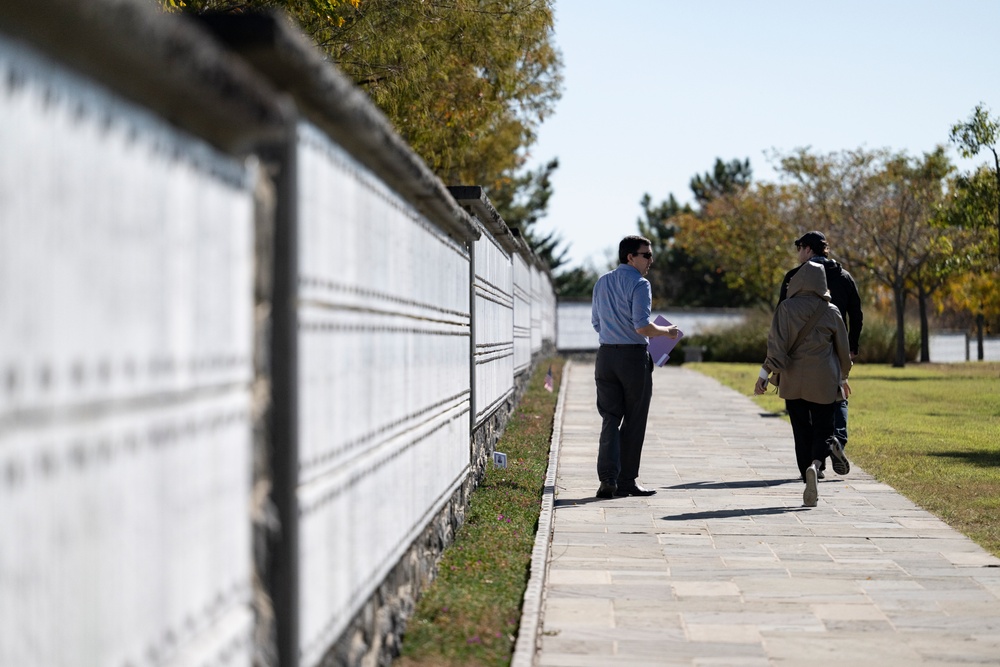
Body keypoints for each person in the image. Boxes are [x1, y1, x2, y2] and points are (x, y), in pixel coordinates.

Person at [755, 261, 853, 507]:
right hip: (823, 379)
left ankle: (805, 471)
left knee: (801, 430)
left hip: (792, 379)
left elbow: (776, 346)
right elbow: (843, 349)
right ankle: (816, 466)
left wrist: (764, 374)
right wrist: (844, 377)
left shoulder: (786, 309)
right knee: (823, 428)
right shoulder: (831, 311)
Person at [591, 235, 680, 499]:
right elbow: (641, 326)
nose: (651, 260)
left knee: (609, 418)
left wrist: (612, 332)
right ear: (630, 257)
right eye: (647, 255)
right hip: (632, 358)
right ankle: (627, 480)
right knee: (634, 420)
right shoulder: (640, 284)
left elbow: (596, 322)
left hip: (605, 356)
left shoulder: (602, 281)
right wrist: (667, 332)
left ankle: (607, 479)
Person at [779, 230, 863, 475]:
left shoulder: (793, 277)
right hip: (835, 349)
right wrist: (852, 346)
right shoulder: (844, 276)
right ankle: (834, 441)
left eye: (799, 249)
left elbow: (780, 317)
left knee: (804, 409)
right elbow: (856, 314)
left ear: (807, 249)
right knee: (837, 398)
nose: (798, 255)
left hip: (797, 354)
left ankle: (814, 463)